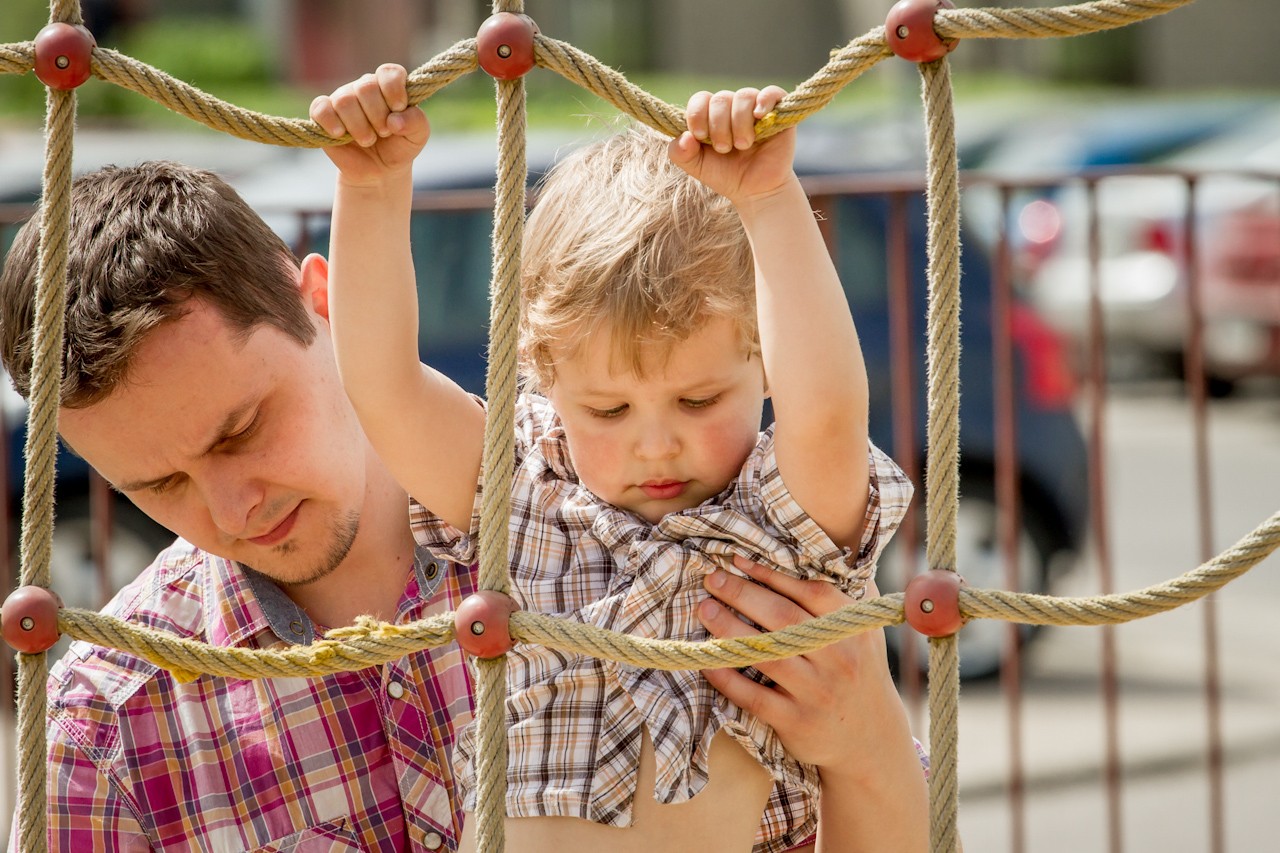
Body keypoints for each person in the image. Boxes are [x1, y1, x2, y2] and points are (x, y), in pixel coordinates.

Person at [0, 162, 923, 851]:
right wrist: (373, 181)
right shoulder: (108, 722)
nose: (232, 507)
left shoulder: (553, 498)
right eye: (155, 486)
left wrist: (875, 744)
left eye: (242, 429)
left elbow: (828, 416)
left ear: (320, 303)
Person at [310, 64, 929, 853]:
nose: (655, 441)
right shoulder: (525, 488)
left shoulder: (775, 524)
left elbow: (831, 412)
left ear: (764, 362)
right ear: (544, 376)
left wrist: (769, 200)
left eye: (699, 400)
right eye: (608, 410)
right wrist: (371, 186)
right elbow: (384, 387)